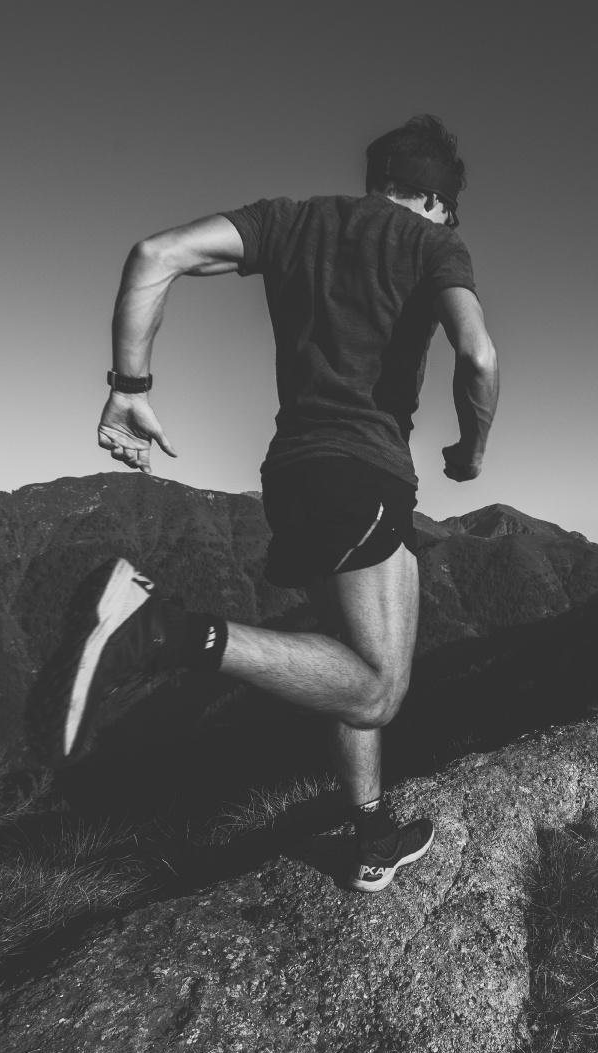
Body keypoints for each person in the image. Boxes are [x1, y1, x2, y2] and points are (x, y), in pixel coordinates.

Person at [52, 115, 498, 894]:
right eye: (450, 208)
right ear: (432, 198)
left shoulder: (292, 222)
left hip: (290, 476)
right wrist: (471, 451)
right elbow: (480, 356)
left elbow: (156, 255)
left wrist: (129, 387)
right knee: (380, 688)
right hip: (365, 472)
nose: (448, 221)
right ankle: (167, 631)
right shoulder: (433, 246)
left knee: (343, 655)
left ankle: (369, 832)